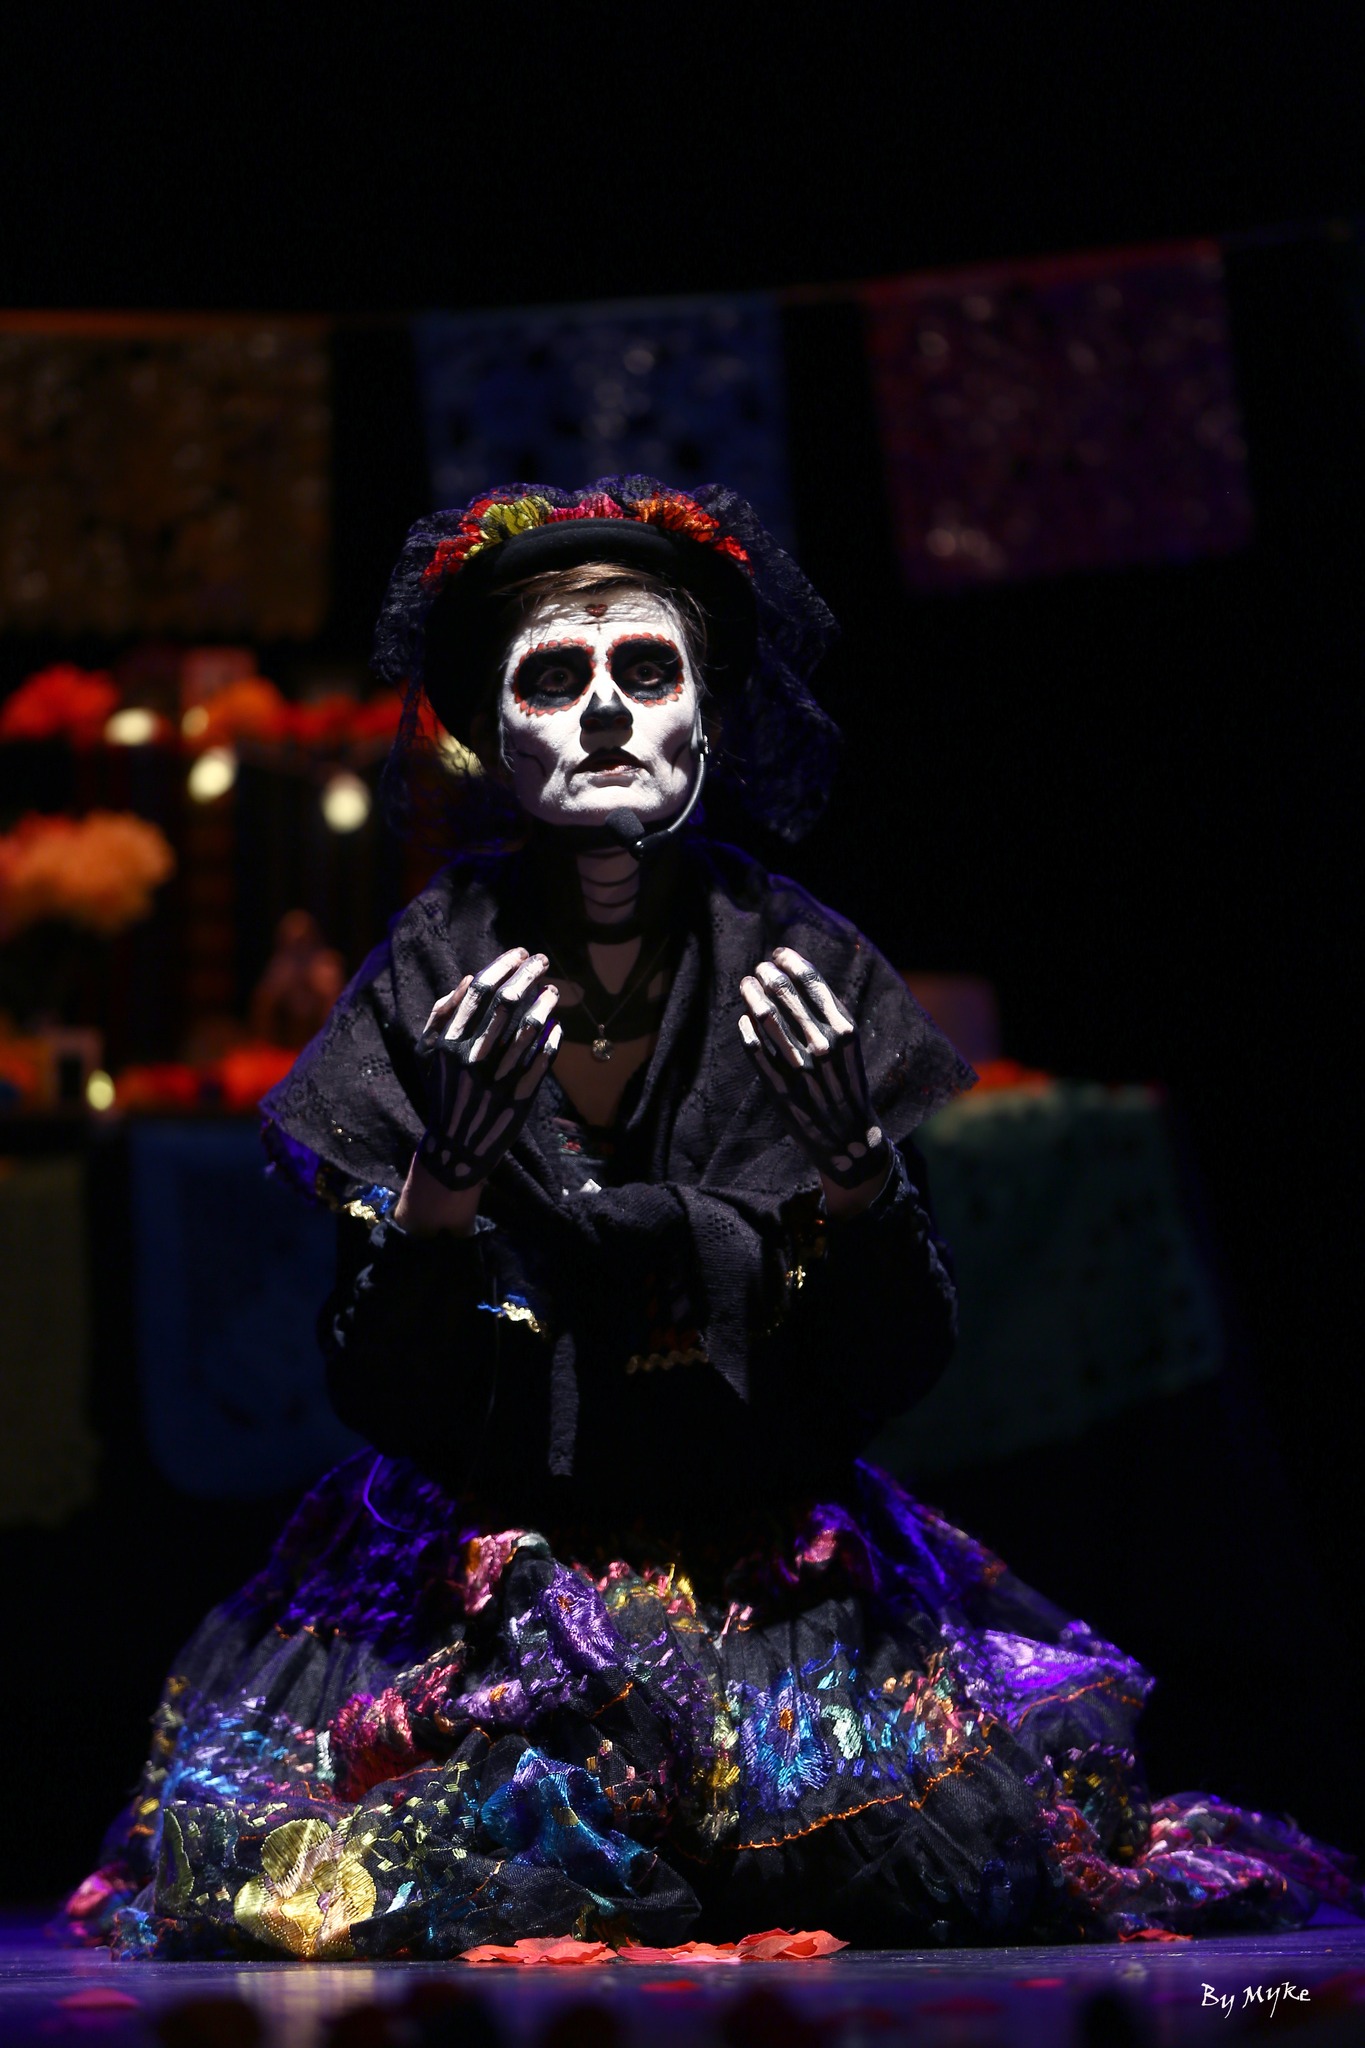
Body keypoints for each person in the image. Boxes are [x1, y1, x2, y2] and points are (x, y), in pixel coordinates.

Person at [68, 480, 1359, 1960]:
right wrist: (444, 1181)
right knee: (413, 1850)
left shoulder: (797, 966)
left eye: (646, 671)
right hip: (500, 1567)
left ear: (710, 719)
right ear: (488, 733)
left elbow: (888, 1365)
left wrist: (857, 1172)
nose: (605, 714)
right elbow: (382, 1386)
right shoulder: (429, 979)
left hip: (767, 1575)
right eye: (554, 679)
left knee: (916, 1860)